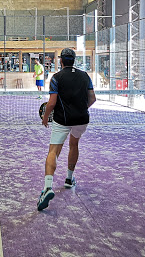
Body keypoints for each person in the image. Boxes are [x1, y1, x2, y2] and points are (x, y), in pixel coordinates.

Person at [37, 48, 96, 211]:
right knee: (74, 145)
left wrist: (45, 117)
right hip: (82, 119)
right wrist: (81, 110)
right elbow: (92, 98)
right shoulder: (85, 76)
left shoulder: (56, 78)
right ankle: (69, 179)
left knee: (53, 151)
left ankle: (47, 187)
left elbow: (51, 103)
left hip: (62, 120)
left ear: (61, 60)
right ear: (74, 60)